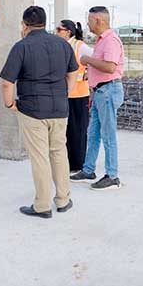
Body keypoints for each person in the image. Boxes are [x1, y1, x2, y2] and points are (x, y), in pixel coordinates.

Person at [0, 6, 78, 218]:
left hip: (33, 110)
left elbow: (7, 83)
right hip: (60, 109)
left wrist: (9, 105)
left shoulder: (22, 46)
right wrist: (64, 94)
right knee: (59, 152)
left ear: (24, 25)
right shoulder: (62, 44)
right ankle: (63, 200)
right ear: (45, 23)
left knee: (40, 157)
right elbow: (73, 73)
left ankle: (42, 206)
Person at [70, 6, 125, 191]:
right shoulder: (102, 41)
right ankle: (88, 170)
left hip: (108, 91)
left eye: (90, 20)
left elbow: (110, 67)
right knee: (93, 134)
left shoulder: (110, 41)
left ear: (99, 21)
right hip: (100, 92)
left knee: (108, 136)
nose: (87, 23)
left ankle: (112, 176)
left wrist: (87, 60)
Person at [55, 19, 93, 172]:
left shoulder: (80, 46)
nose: (56, 32)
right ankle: (69, 164)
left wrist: (89, 73)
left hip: (79, 96)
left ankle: (78, 164)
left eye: (59, 29)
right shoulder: (62, 46)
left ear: (68, 31)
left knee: (78, 131)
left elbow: (98, 59)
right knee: (67, 131)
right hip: (66, 95)